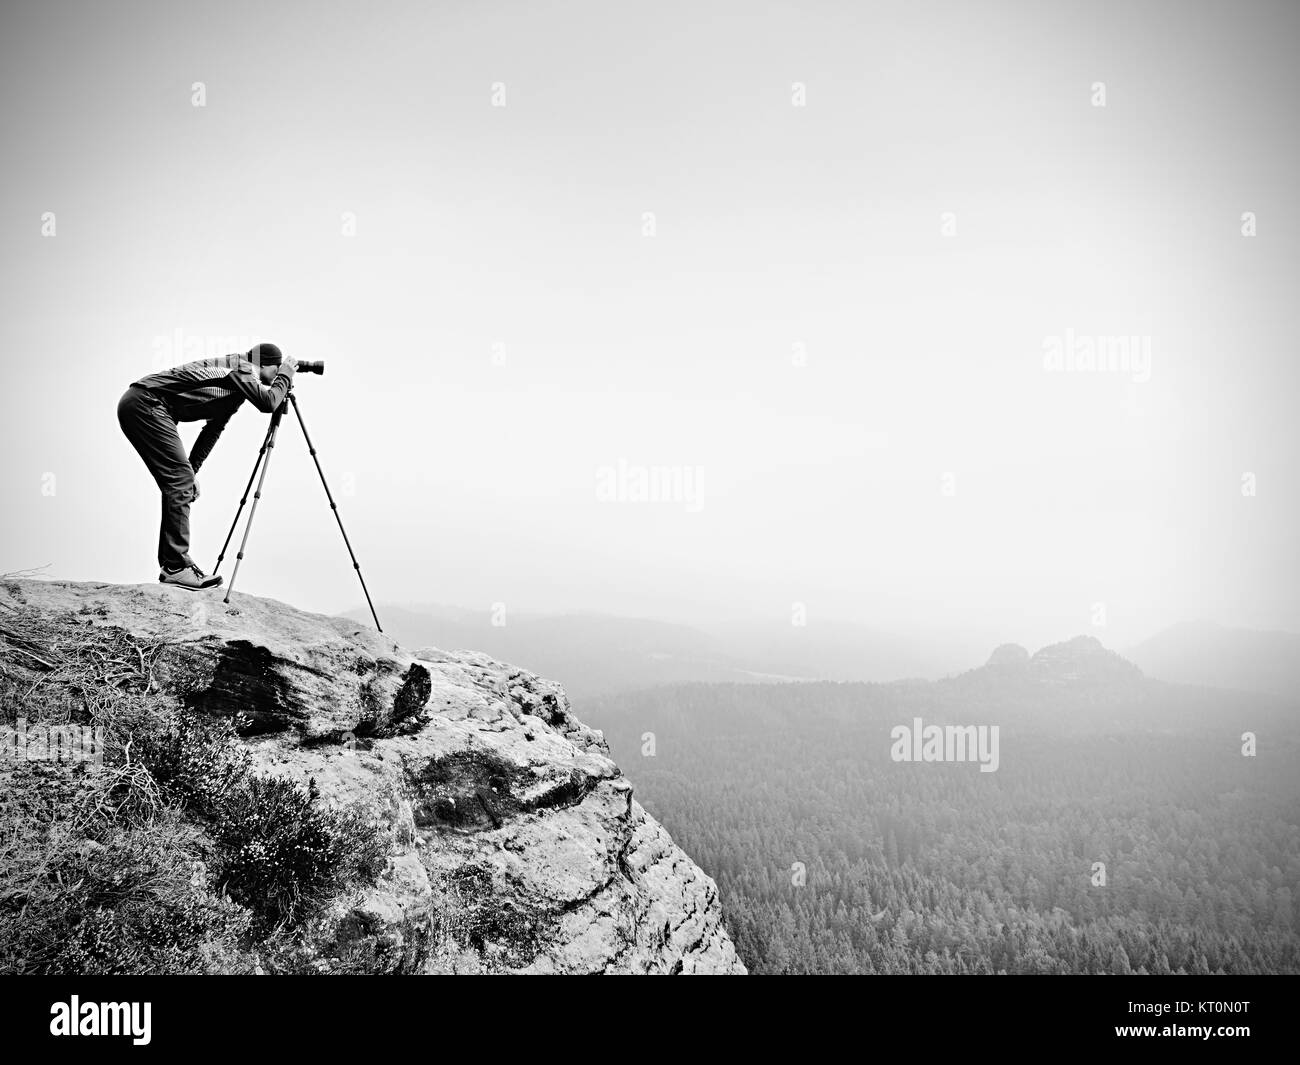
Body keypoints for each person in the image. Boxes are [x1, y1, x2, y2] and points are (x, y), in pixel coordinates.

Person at [117, 342, 297, 589]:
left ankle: (173, 565)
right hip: (147, 403)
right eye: (276, 370)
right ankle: (176, 567)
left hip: (143, 404)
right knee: (179, 483)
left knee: (181, 482)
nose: (276, 377)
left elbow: (212, 431)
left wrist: (191, 473)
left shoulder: (236, 384)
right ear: (264, 363)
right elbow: (268, 403)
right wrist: (286, 375)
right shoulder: (242, 368)